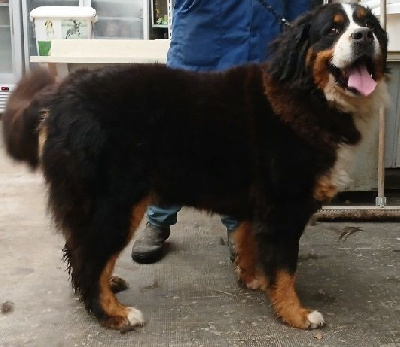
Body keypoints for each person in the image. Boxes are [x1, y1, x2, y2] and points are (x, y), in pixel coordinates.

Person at [131, 0, 315, 264]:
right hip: (204, 32)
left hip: (264, 36)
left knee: (248, 141)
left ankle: (238, 224)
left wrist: (302, 37)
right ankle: (158, 218)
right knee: (177, 138)